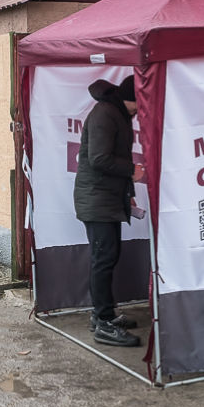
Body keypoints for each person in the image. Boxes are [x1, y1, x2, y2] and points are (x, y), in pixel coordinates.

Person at [74, 74, 145, 347]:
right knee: (103, 260)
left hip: (107, 199)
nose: (141, 110)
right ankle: (102, 322)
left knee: (108, 257)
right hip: (97, 201)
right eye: (141, 102)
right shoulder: (106, 113)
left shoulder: (117, 113)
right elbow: (100, 158)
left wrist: (127, 195)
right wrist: (132, 171)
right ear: (132, 98)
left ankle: (103, 315)